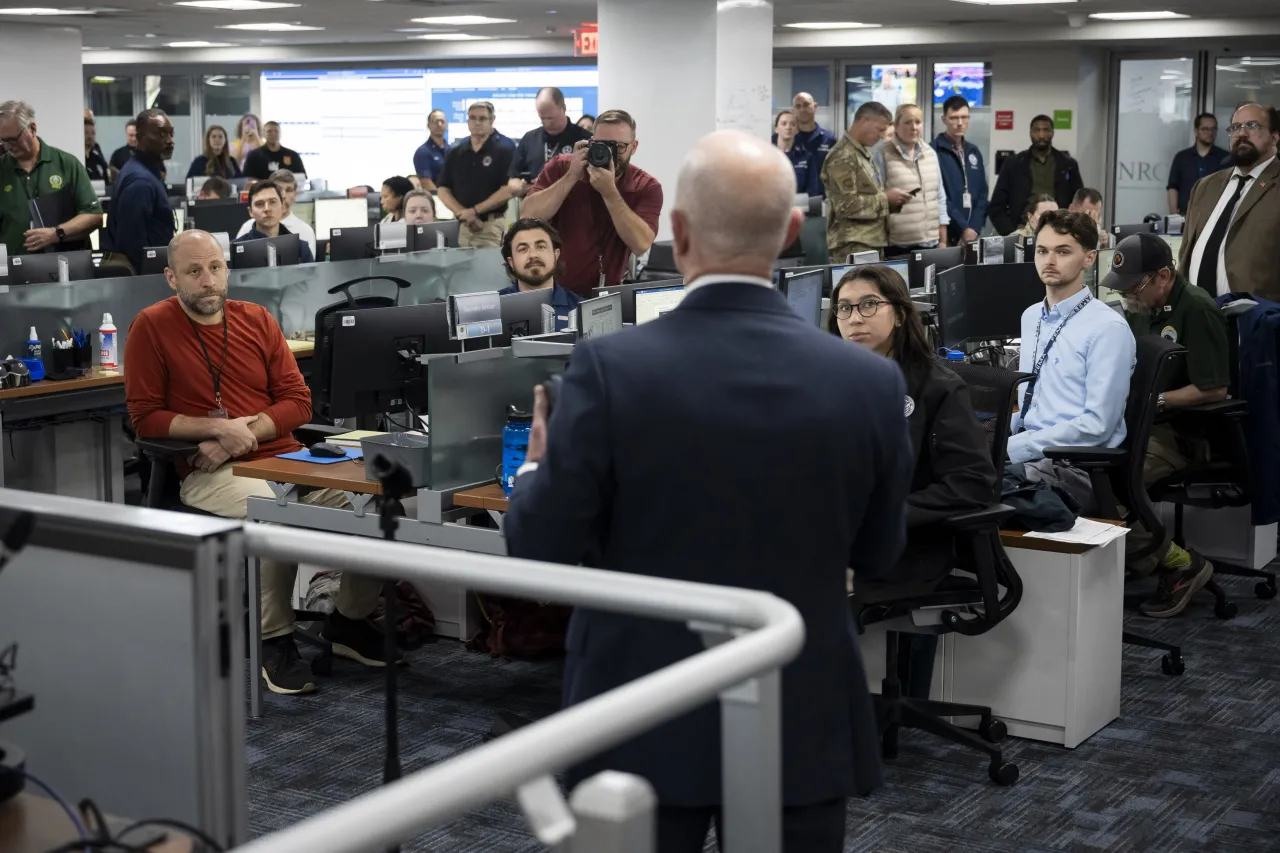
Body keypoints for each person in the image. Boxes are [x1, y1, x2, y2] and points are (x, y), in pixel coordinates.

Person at [504, 129, 912, 853]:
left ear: (679, 233)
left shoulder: (608, 367)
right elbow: (880, 552)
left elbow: (541, 546)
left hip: (641, 703)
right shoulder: (872, 381)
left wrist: (533, 473)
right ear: (791, 232)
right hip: (801, 699)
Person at [124, 229, 393, 695]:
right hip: (211, 474)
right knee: (278, 515)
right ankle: (273, 640)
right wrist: (214, 431)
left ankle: (349, 622)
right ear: (171, 278)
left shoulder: (257, 319)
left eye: (215, 268)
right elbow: (145, 419)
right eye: (194, 271)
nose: (208, 280)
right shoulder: (150, 326)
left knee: (380, 506)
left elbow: (299, 402)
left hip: (286, 459)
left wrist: (237, 435)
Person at [830, 263, 997, 698]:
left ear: (900, 314)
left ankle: (827, 721)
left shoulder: (936, 386)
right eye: (844, 308)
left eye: (869, 304)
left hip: (908, 543)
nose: (855, 318)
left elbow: (973, 482)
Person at [1103, 232, 1228, 617]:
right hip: (1139, 424)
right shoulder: (1144, 308)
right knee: (1081, 470)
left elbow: (1214, 389)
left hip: (1181, 433)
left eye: (1135, 286)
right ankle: (1141, 559)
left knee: (1111, 479)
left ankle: (1180, 564)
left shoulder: (1196, 309)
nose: (1128, 296)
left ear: (1163, 276)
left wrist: (1152, 401)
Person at [1009, 210, 1136, 512]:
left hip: (1075, 467)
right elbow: (1033, 405)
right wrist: (994, 431)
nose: (1049, 261)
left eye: (1063, 251)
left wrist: (1017, 447)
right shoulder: (1031, 317)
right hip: (1032, 453)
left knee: (973, 491)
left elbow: (1098, 425)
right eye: (1042, 251)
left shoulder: (1107, 328)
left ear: (1089, 258)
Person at [520, 109, 662, 296]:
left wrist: (610, 193)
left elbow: (641, 244)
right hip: (553, 290)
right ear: (590, 142)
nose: (610, 153)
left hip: (606, 294)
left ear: (634, 147)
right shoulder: (562, 167)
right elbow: (527, 216)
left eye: (618, 147)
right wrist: (571, 176)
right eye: (602, 145)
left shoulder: (644, 186)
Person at [1180, 102, 1280, 302]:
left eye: (1252, 126)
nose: (1241, 133)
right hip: (1198, 318)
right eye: (1235, 127)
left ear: (1275, 136)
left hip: (1257, 322)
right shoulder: (1204, 187)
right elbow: (1186, 254)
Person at [0, 100, 103, 257]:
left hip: (65, 267)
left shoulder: (67, 164)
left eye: (13, 139)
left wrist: (56, 234)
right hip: (12, 269)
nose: (7, 147)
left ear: (32, 129)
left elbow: (94, 215)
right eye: (3, 141)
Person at [821, 101, 909, 262]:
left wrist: (893, 201)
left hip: (869, 242)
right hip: (852, 245)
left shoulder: (861, 153)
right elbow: (846, 205)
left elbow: (868, 195)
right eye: (880, 129)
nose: (882, 136)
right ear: (864, 121)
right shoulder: (843, 156)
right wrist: (886, 199)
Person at [103, 109, 176, 273]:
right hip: (143, 278)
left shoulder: (146, 171)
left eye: (171, 134)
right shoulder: (140, 181)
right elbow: (132, 246)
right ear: (139, 137)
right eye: (161, 134)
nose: (169, 140)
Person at [872, 104, 949, 256]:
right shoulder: (882, 153)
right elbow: (874, 196)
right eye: (907, 122)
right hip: (897, 245)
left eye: (918, 122)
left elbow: (939, 197)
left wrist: (943, 240)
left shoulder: (930, 153)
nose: (914, 127)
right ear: (896, 126)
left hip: (931, 244)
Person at [436, 101, 514, 249]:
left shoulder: (504, 150)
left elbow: (507, 189)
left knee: (489, 270)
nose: (477, 122)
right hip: (462, 226)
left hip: (491, 226)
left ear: (492, 120)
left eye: (482, 118)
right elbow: (443, 189)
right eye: (472, 118)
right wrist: (463, 214)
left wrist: (475, 211)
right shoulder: (456, 153)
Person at [989, 115, 1084, 236]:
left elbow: (1077, 204)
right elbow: (996, 206)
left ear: (1052, 133)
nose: (1041, 135)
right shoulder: (1013, 164)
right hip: (1023, 230)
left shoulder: (1068, 164)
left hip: (1060, 230)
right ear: (1030, 133)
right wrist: (1011, 233)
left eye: (1046, 130)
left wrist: (1071, 229)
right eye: (1037, 130)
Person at [507, 87, 591, 200]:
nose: (547, 122)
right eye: (542, 118)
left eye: (551, 118)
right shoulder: (529, 138)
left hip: (573, 208)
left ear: (564, 108)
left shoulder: (584, 138)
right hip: (535, 209)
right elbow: (512, 182)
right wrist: (526, 187)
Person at [498, 218, 581, 331]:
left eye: (541, 247)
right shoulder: (493, 309)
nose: (533, 255)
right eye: (523, 249)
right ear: (511, 262)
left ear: (556, 255)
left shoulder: (581, 309)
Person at [933, 94, 989, 246]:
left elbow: (982, 193)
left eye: (964, 117)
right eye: (954, 118)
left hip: (973, 235)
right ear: (944, 120)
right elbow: (938, 196)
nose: (960, 123)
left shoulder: (973, 151)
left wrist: (974, 228)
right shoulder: (934, 151)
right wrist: (963, 228)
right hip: (947, 234)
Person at [235, 170, 317, 257]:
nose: (284, 195)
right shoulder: (247, 227)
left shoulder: (305, 233)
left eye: (289, 190)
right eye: (279, 189)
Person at [1167, 112, 1230, 216]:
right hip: (1185, 216)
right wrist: (1174, 216)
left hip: (1215, 216)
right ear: (1196, 131)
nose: (1210, 132)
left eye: (1213, 129)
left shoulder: (1226, 158)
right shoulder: (1182, 157)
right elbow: (1173, 188)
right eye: (1205, 129)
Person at [789, 91, 837, 180]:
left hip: (822, 193)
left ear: (815, 107)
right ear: (793, 111)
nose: (802, 109)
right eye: (798, 106)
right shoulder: (786, 139)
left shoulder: (829, 140)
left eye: (806, 105)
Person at [774, 109, 821, 197]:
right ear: (776, 129)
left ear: (796, 130)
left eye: (793, 124)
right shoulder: (768, 156)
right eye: (784, 124)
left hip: (799, 207)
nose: (788, 127)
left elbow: (812, 191)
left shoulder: (806, 157)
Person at [411, 109, 449, 192]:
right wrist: (445, 199)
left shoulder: (452, 151)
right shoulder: (423, 152)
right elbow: (426, 182)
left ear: (446, 125)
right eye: (435, 121)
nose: (439, 124)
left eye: (442, 121)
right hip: (436, 199)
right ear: (428, 125)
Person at [84, 111, 110, 182]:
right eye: (86, 133)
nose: (90, 137)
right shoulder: (78, 160)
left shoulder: (98, 159)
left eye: (93, 133)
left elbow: (106, 183)